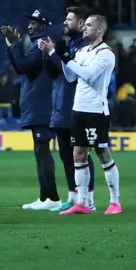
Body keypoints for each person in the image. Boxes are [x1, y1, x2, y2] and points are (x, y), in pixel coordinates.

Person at [39, 15, 122, 215]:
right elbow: (70, 76)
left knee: (102, 153)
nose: (85, 28)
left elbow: (89, 75)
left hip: (95, 111)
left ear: (100, 29)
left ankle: (115, 202)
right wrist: (58, 55)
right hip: (78, 109)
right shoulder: (83, 51)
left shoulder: (105, 54)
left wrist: (64, 57)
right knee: (78, 153)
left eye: (90, 25)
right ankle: (83, 203)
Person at [3, 9, 60, 211]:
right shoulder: (39, 44)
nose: (29, 26)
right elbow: (22, 66)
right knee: (39, 151)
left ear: (43, 25)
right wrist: (13, 47)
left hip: (41, 106)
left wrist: (14, 46)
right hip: (39, 105)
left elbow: (22, 66)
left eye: (34, 23)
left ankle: (52, 197)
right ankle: (44, 198)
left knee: (43, 151)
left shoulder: (41, 44)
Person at [40, 6, 96, 212]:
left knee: (82, 154)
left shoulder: (85, 48)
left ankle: (88, 198)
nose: (64, 22)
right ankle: (72, 197)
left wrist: (54, 52)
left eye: (69, 19)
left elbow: (72, 72)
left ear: (81, 24)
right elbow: (55, 74)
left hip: (76, 106)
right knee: (65, 154)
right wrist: (47, 55)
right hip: (61, 105)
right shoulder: (69, 44)